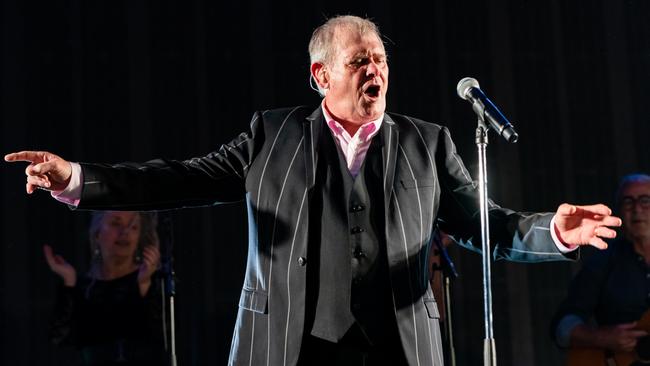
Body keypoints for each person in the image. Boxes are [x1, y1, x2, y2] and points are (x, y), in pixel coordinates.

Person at [5, 15, 621, 366]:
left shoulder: (426, 143)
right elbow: (179, 177)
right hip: (292, 346)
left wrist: (555, 232)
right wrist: (79, 178)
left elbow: (486, 225)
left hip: (399, 348)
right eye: (359, 62)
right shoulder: (273, 137)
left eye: (380, 59)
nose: (375, 70)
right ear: (320, 75)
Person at [44, 211, 167, 366]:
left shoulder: (153, 280)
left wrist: (144, 284)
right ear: (97, 233)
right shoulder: (83, 287)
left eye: (134, 227)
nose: (125, 232)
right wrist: (69, 281)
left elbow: (160, 339)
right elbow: (60, 338)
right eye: (116, 223)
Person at [551, 174, 650, 365]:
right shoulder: (603, 261)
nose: (637, 209)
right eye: (628, 202)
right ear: (619, 210)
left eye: (645, 201)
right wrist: (599, 338)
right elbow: (562, 326)